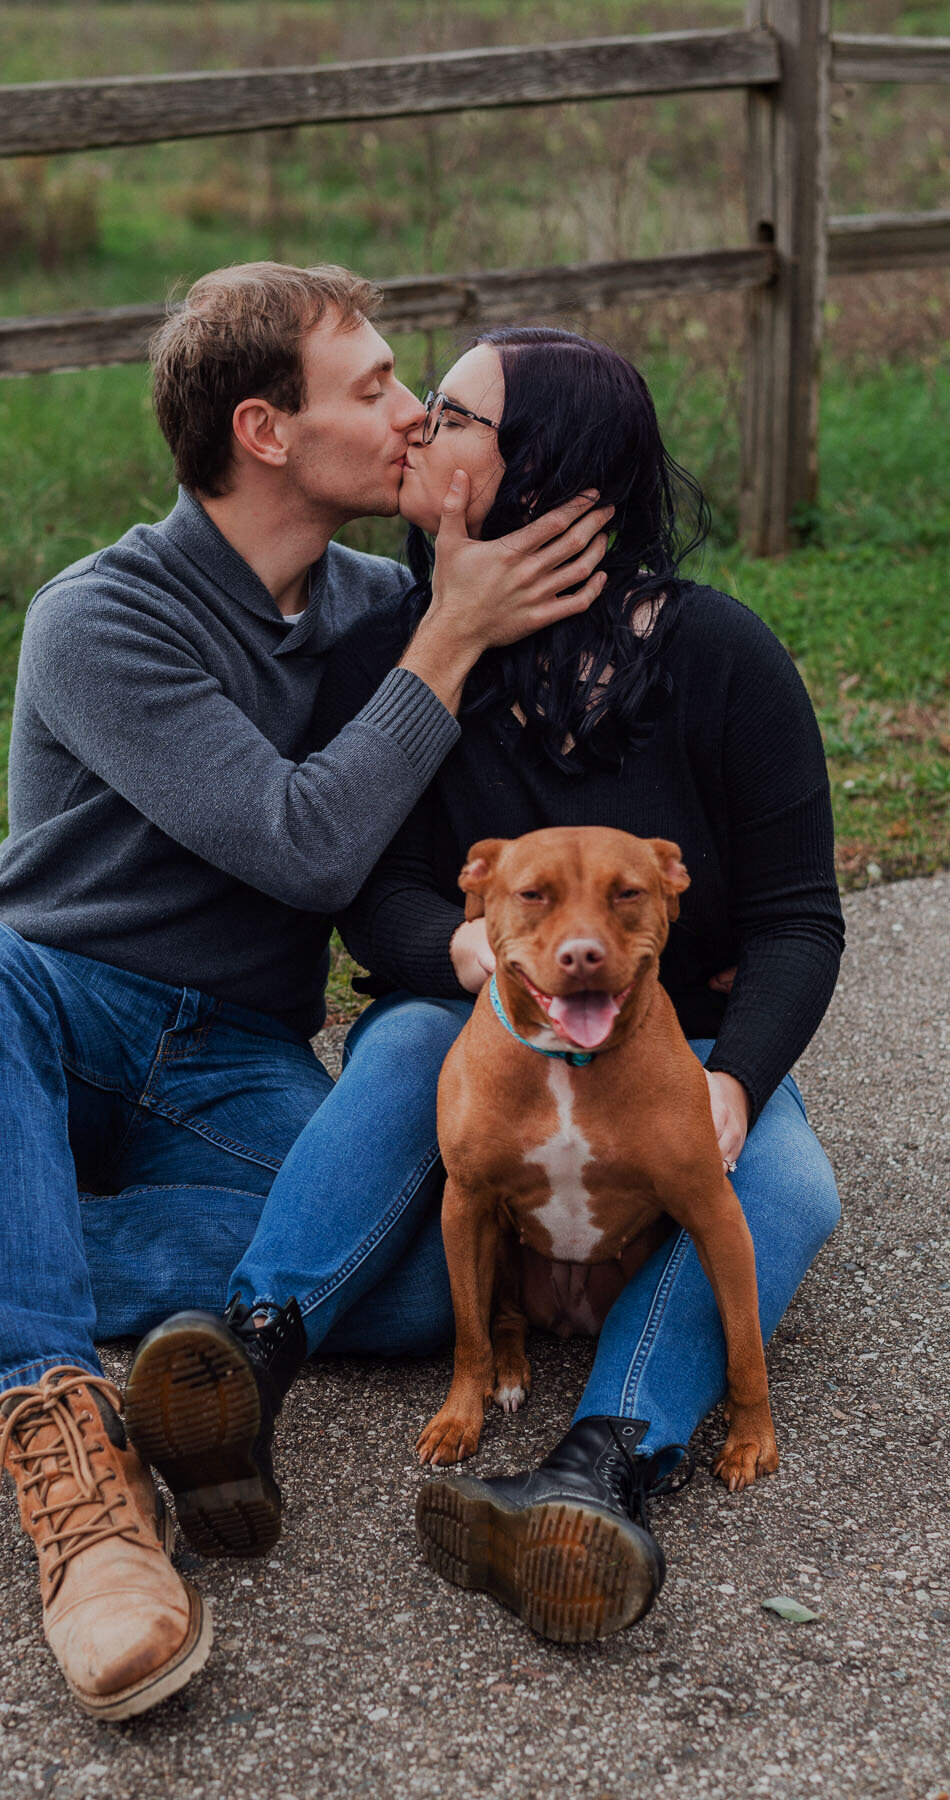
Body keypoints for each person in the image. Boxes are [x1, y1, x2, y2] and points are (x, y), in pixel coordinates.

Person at [0, 266, 615, 1718]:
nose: (406, 405)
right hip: (55, 1014)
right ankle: (75, 1485)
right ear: (262, 430)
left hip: (236, 1053)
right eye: (369, 386)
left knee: (427, 1270)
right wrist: (450, 636)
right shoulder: (101, 617)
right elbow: (303, 843)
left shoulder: (375, 602)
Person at [134, 325, 843, 1643]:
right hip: (476, 1019)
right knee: (413, 1047)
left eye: (453, 416)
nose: (414, 425)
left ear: (549, 473)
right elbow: (374, 885)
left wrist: (735, 1078)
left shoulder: (719, 659)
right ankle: (250, 1356)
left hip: (666, 1042)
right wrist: (462, 956)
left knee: (791, 1184)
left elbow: (801, 917)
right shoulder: (395, 652)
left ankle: (597, 1469)